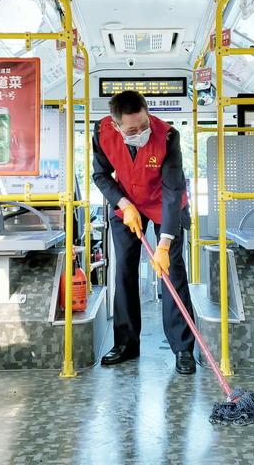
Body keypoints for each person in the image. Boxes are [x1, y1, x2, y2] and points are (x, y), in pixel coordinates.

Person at [92, 90, 196, 374]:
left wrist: (164, 245)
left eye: (144, 125)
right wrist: (123, 204)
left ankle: (183, 348)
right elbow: (100, 175)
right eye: (132, 130)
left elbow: (173, 190)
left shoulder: (168, 136)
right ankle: (126, 343)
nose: (141, 133)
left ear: (148, 115)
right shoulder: (102, 132)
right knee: (124, 270)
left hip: (165, 204)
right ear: (116, 126)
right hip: (127, 204)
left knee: (172, 272)